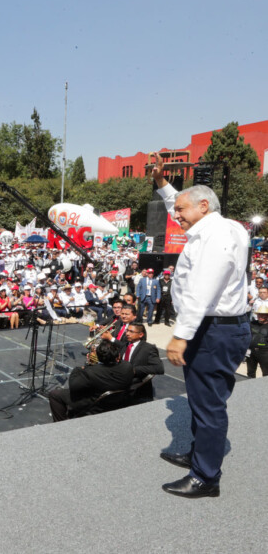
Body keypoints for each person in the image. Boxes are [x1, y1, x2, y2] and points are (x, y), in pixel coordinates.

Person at [153, 155, 252, 499]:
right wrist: (162, 183)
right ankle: (199, 455)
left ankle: (205, 477)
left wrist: (181, 335)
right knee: (201, 400)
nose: (175, 215)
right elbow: (180, 202)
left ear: (204, 206)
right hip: (214, 328)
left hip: (214, 330)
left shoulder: (217, 235)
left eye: (180, 210)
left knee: (209, 405)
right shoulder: (214, 226)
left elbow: (204, 289)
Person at [48, 340, 134, 422]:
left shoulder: (91, 372)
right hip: (118, 400)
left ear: (99, 357)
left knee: (55, 395)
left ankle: (61, 424)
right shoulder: (128, 366)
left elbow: (73, 386)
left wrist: (79, 369)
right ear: (118, 356)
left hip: (95, 404)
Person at [120, 323, 164, 401]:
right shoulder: (125, 345)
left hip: (136, 388)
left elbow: (159, 368)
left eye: (131, 331)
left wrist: (134, 370)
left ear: (140, 335)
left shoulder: (148, 348)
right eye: (127, 331)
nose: (127, 333)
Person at [246, 305, 268, 378]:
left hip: (265, 352)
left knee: (266, 373)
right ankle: (250, 388)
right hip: (251, 352)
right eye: (259, 314)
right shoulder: (252, 324)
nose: (260, 316)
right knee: (250, 373)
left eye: (263, 315)